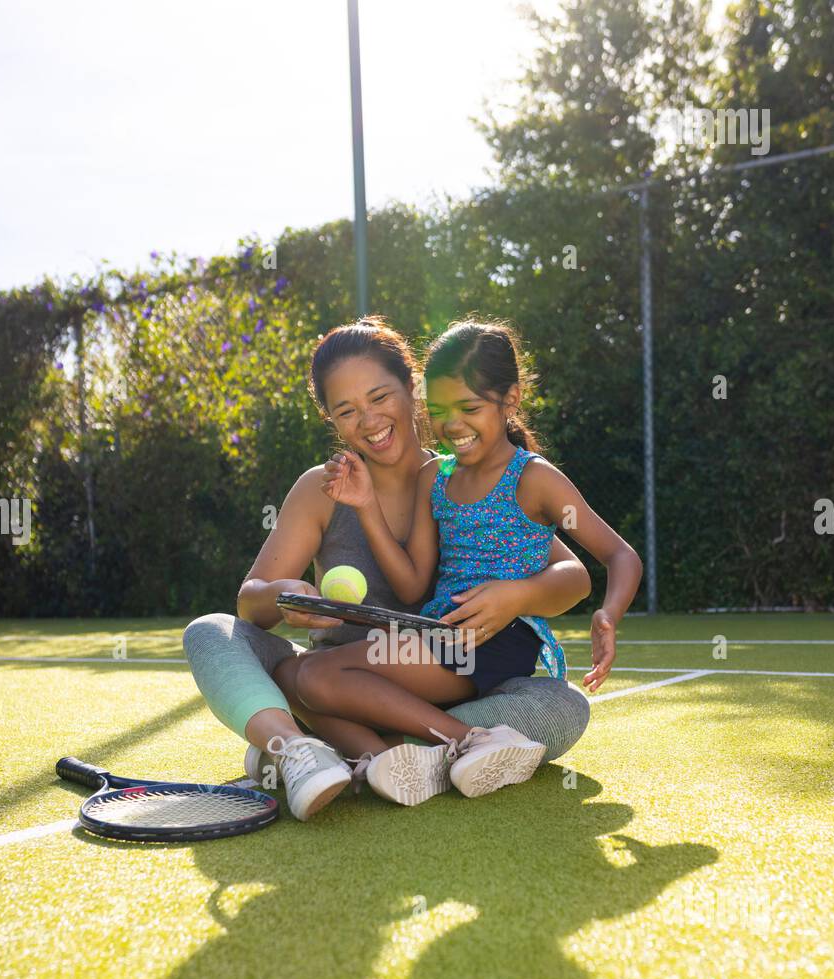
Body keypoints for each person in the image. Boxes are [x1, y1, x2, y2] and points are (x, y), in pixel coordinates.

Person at [183, 317, 599, 820]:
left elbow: (572, 576)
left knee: (565, 705)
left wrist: (518, 596)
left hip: (446, 690)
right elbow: (250, 603)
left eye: (380, 397)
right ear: (331, 420)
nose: (370, 420)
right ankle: (306, 751)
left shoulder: (463, 478)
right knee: (211, 634)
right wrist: (284, 594)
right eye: (347, 410)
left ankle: (353, 756)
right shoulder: (321, 488)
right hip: (331, 684)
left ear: (412, 388)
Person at [286, 319, 643, 804]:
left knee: (319, 677)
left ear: (510, 399)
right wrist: (366, 506)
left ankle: (468, 741)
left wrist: (608, 613)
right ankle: (384, 763)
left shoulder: (535, 479)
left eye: (470, 407)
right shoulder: (436, 476)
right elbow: (413, 587)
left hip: (492, 641)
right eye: (439, 410)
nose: (453, 424)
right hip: (442, 636)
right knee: (311, 675)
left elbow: (617, 554)